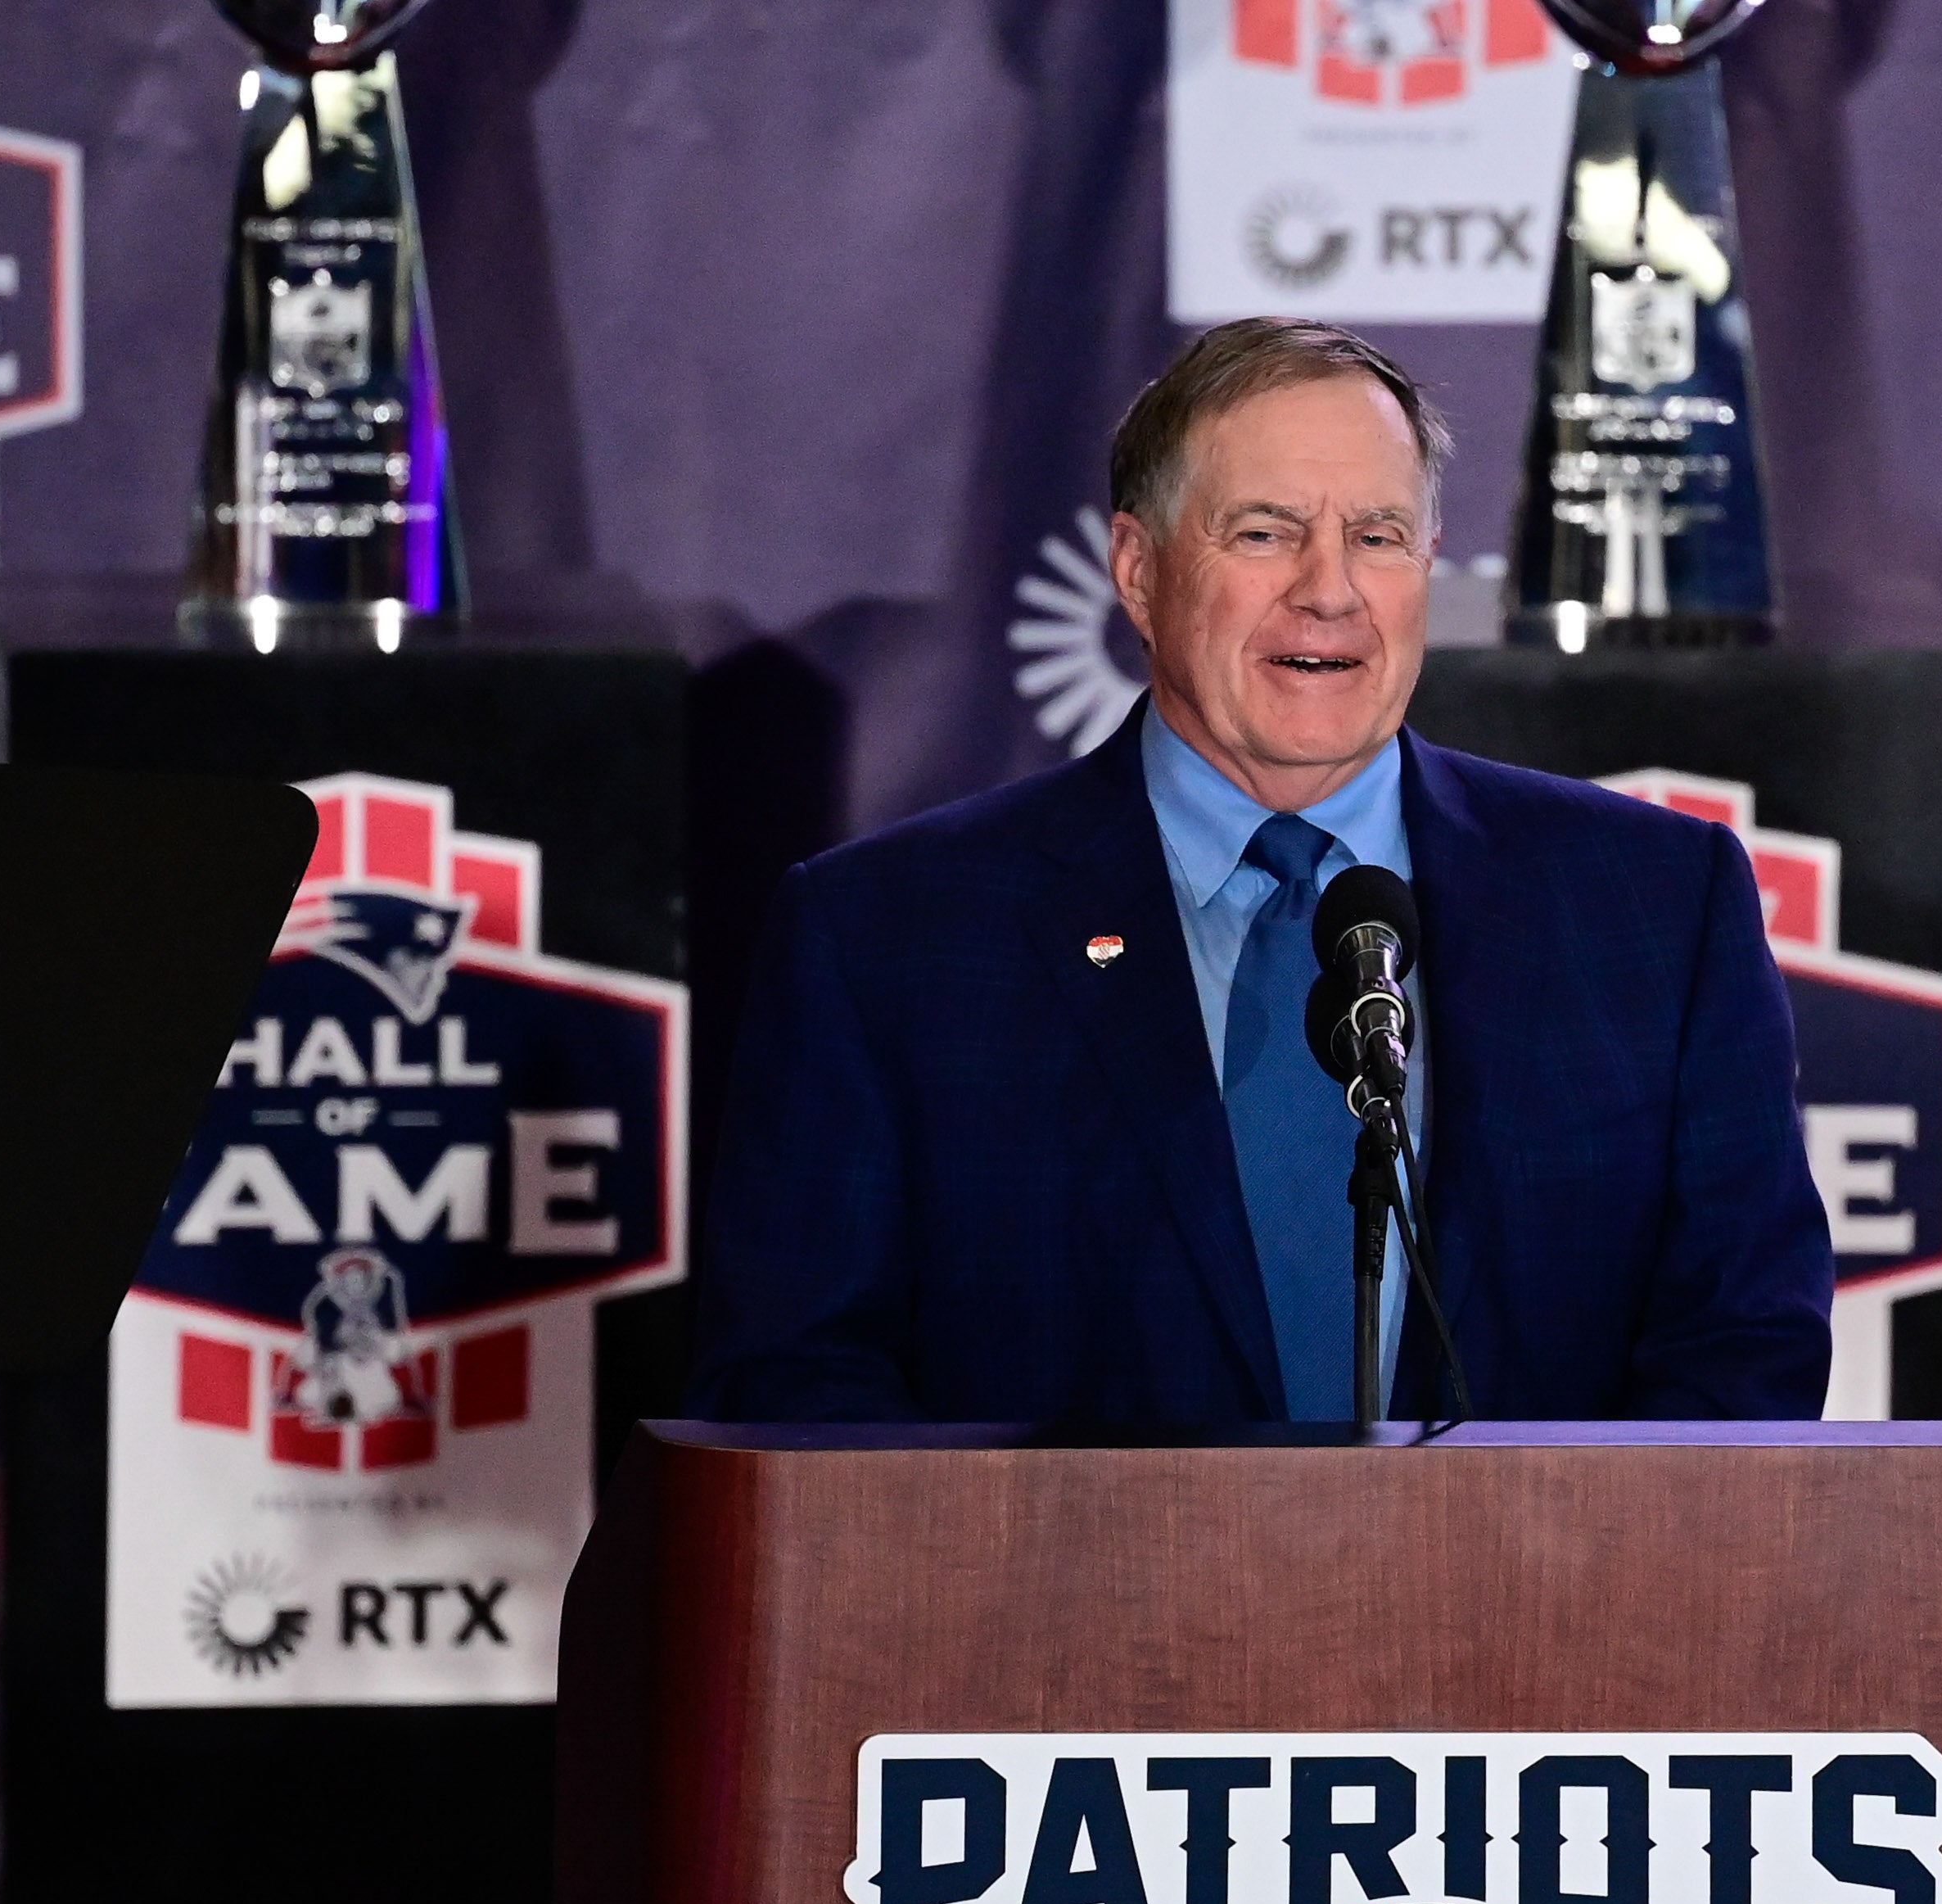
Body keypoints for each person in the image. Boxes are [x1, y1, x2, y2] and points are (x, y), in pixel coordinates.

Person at [687, 317, 1831, 1422]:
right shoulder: (891, 935)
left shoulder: (1654, 906)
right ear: (1136, 570)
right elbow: (797, 1379)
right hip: (1065, 1615)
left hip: (1538, 1612)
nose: (1328, 590)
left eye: (1378, 537)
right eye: (1264, 532)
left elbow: (1742, 1341)